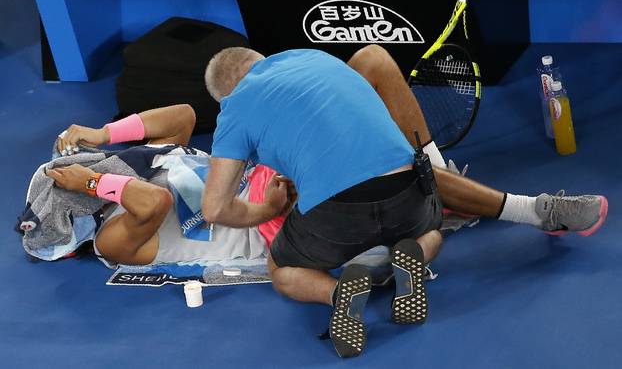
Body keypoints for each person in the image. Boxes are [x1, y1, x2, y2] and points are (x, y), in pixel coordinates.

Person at [201, 44, 608, 358]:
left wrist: (269, 209)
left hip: (334, 223)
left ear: (227, 96)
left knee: (283, 268)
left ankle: (338, 294)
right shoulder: (310, 57)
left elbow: (215, 209)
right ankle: (525, 208)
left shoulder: (236, 110)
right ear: (263, 59)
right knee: (427, 224)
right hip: (407, 201)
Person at [46, 104, 266, 267]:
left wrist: (103, 133)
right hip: (267, 224)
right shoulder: (108, 242)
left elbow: (183, 116)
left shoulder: (139, 168)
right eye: (67, 179)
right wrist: (92, 182)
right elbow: (156, 201)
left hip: (271, 177)